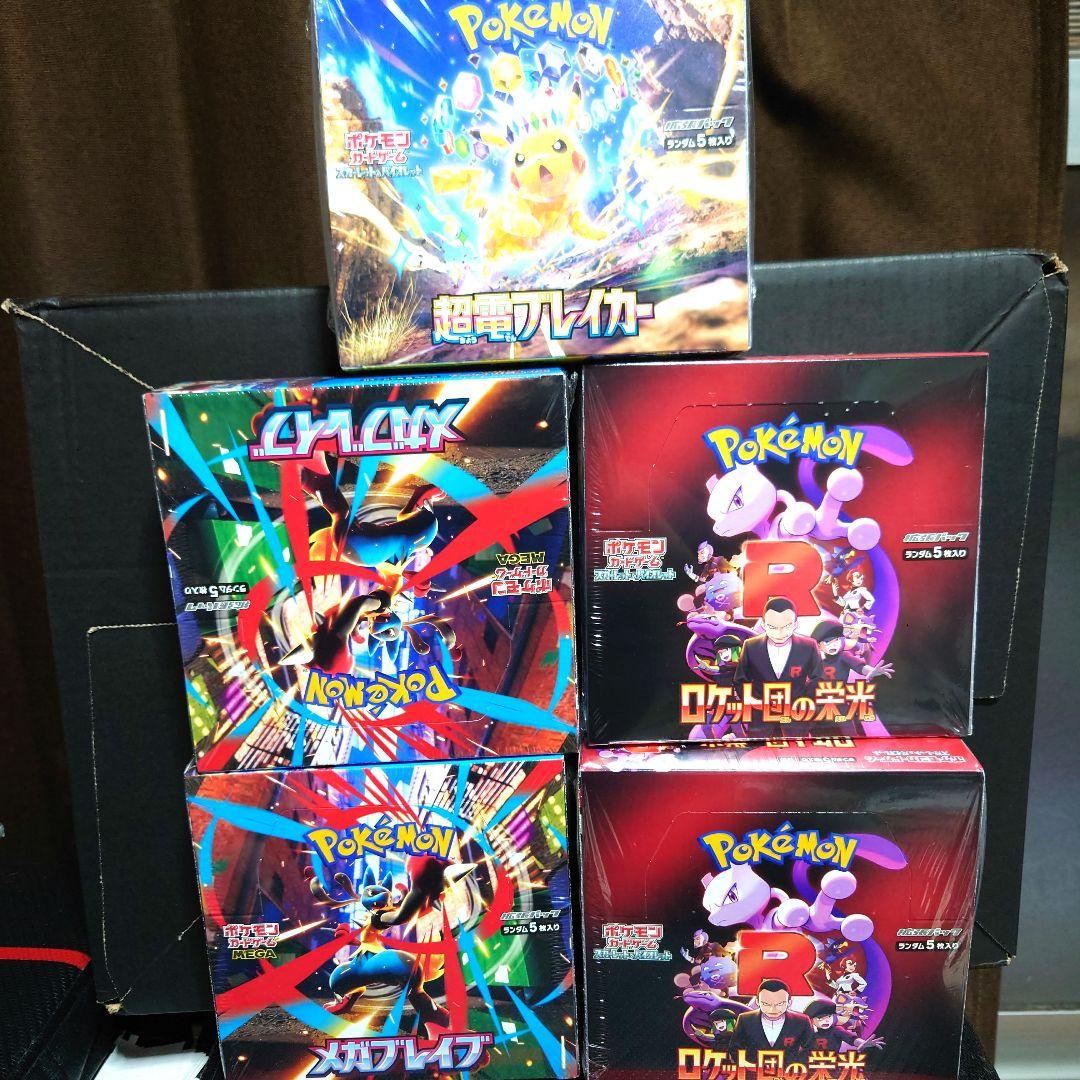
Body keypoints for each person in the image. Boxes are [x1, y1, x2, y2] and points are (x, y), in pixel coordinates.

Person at [734, 597, 823, 703]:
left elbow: (818, 677)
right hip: (760, 708)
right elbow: (740, 680)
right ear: (763, 624)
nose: (779, 633)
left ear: (795, 624)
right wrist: (752, 701)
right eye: (772, 627)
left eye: (786, 626)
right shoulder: (750, 646)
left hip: (797, 708)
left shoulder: (809, 646)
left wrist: (805, 701)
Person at [727, 979, 812, 1065]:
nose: (772, 1009)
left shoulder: (802, 1021)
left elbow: (811, 1048)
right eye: (766, 1004)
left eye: (779, 1004)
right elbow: (734, 1047)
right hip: (753, 1070)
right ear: (757, 1002)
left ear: (789, 1003)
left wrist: (797, 1066)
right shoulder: (745, 1019)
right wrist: (746, 1064)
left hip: (791, 1071)